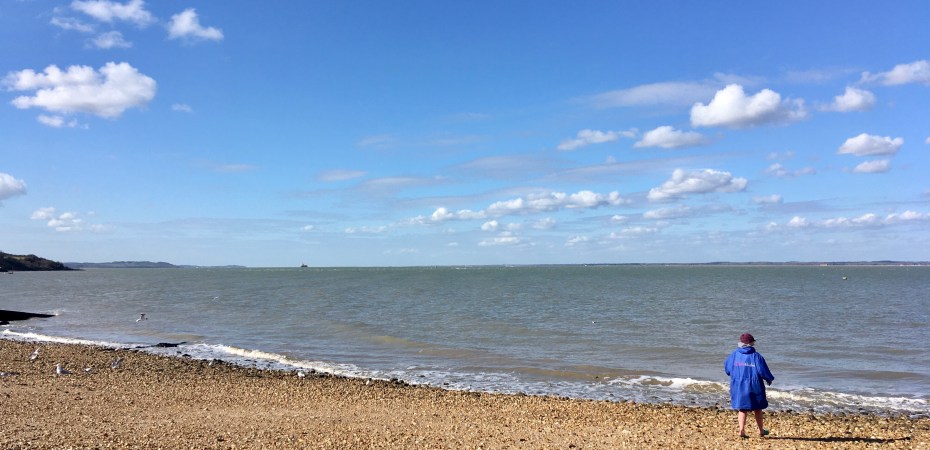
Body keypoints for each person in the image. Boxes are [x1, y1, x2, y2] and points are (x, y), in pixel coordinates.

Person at [724, 332, 774, 438]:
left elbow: (728, 369)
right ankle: (760, 430)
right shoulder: (756, 356)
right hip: (754, 385)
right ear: (751, 343)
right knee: (758, 408)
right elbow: (763, 370)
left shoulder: (734, 355)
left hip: (738, 385)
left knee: (742, 408)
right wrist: (769, 378)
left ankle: (741, 430)